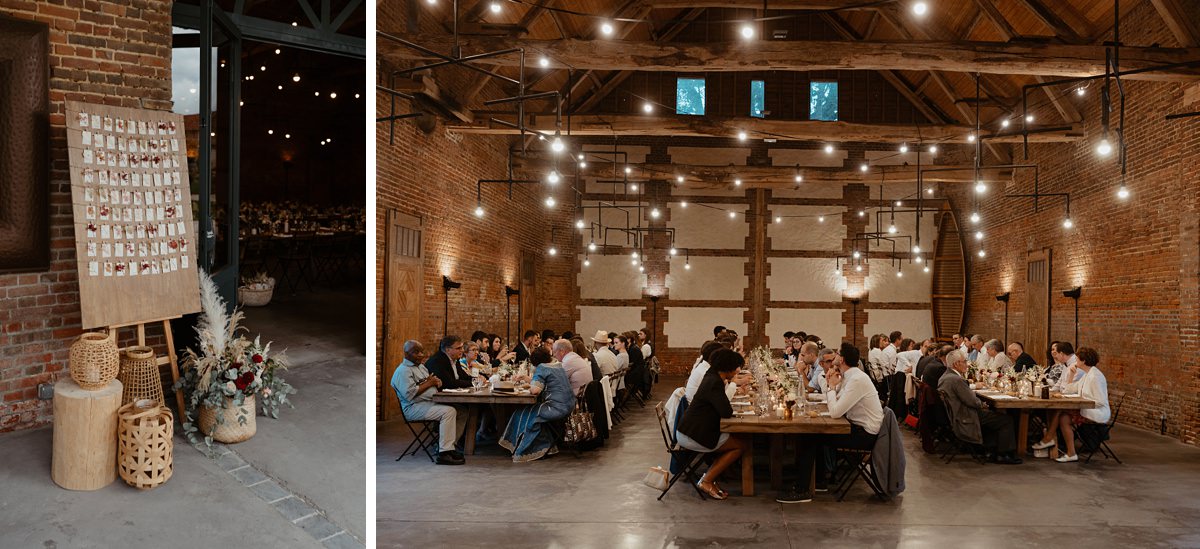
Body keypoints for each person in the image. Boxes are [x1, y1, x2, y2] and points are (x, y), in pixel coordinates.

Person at [778, 342, 882, 503]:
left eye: (838, 354)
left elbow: (835, 411)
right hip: (855, 427)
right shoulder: (850, 376)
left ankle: (802, 490)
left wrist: (832, 387)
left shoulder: (857, 379)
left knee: (810, 436)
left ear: (843, 359)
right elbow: (834, 401)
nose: (835, 356)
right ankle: (818, 481)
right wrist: (830, 383)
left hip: (864, 435)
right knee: (814, 436)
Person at [676, 349, 749, 500]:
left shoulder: (712, 376)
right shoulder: (714, 382)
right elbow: (726, 411)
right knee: (741, 445)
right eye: (735, 367)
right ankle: (707, 480)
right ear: (727, 367)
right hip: (693, 435)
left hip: (691, 430)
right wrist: (733, 384)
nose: (737, 371)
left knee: (740, 437)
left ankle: (716, 475)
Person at [938, 349, 1022, 464]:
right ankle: (1003, 454)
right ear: (956, 364)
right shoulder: (956, 379)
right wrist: (983, 404)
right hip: (966, 417)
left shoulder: (945, 376)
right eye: (965, 361)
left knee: (994, 415)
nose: (967, 364)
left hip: (958, 414)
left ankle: (991, 449)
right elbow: (973, 402)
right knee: (1006, 420)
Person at [392, 340, 467, 465]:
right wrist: (429, 383)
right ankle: (444, 453)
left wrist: (437, 382)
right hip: (414, 408)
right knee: (448, 411)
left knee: (461, 410)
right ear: (406, 354)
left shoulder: (421, 367)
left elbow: (430, 382)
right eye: (416, 352)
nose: (421, 355)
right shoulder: (403, 371)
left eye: (422, 351)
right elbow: (409, 394)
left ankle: (449, 446)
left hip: (429, 403)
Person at [1032, 347, 1111, 462]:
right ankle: (1068, 451)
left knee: (1062, 413)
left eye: (1077, 359)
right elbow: (1069, 390)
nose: (1075, 362)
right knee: (1063, 416)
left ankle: (1050, 439)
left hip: (1097, 412)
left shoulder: (1095, 377)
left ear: (1083, 361)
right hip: (1087, 407)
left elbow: (1100, 401)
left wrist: (1080, 402)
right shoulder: (1087, 374)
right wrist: (1071, 375)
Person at [499, 347, 575, 462]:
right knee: (528, 410)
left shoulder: (542, 368)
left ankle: (525, 449)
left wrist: (527, 387)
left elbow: (535, 391)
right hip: (569, 405)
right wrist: (525, 378)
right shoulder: (557, 365)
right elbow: (544, 382)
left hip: (555, 408)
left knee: (522, 413)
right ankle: (547, 446)